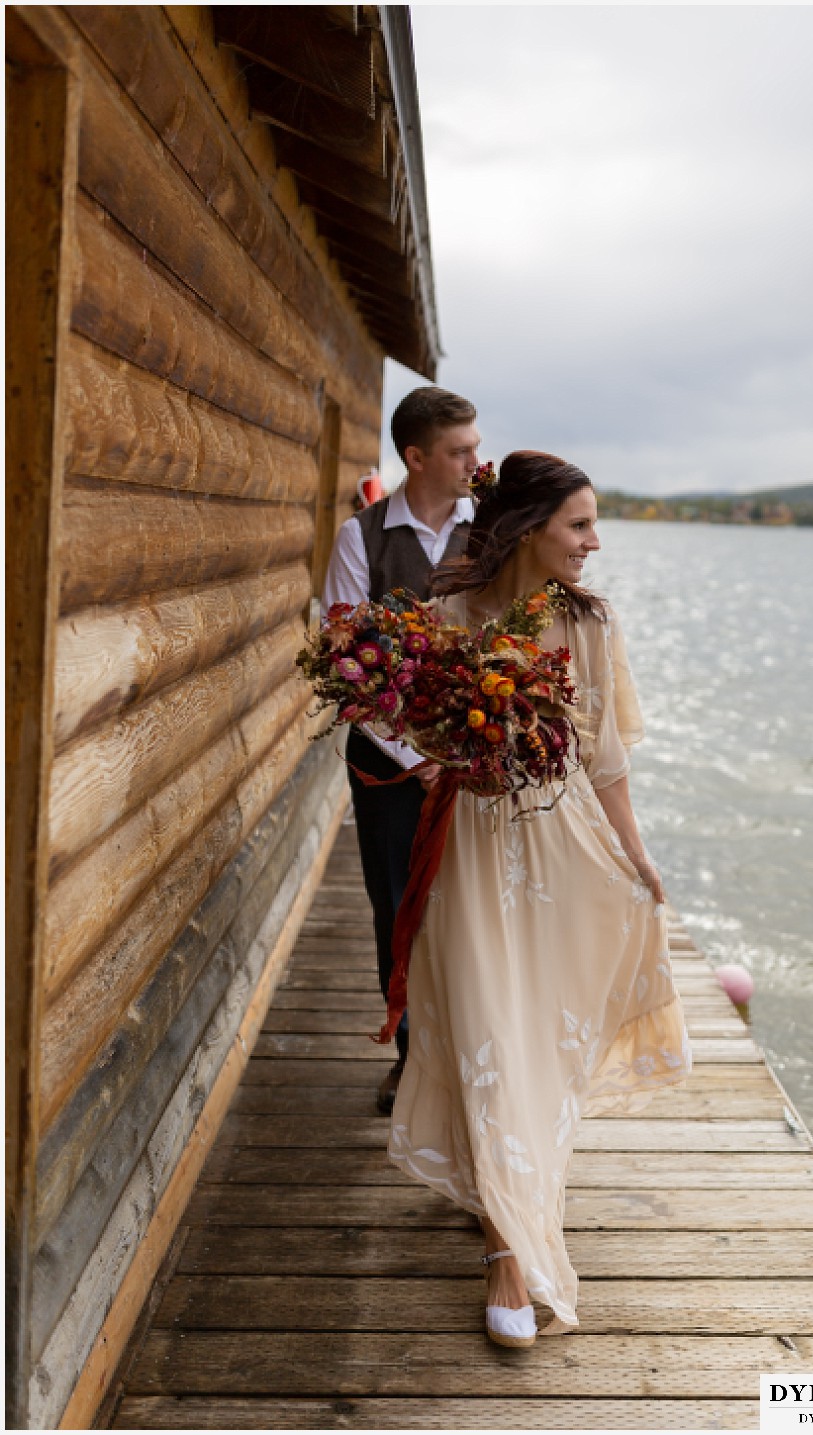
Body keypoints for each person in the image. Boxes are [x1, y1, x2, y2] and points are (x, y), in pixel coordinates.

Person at [387, 450, 692, 1346]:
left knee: (536, 1040)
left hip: (562, 851)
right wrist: (445, 730)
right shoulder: (445, 616)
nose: (594, 542)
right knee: (488, 1033)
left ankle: (512, 1188)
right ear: (526, 527)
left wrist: (636, 856)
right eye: (580, 524)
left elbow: (604, 761)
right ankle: (507, 1254)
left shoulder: (590, 626)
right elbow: (410, 736)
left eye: (594, 524)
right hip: (470, 849)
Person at [321, 387, 479, 1114]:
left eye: (475, 446)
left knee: (475, 910)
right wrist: (412, 756)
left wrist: (465, 750)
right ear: (416, 458)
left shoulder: (492, 535)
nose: (475, 461)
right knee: (397, 907)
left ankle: (470, 1062)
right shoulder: (363, 536)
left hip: (475, 766)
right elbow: (343, 662)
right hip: (385, 767)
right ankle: (413, 1058)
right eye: (460, 450)